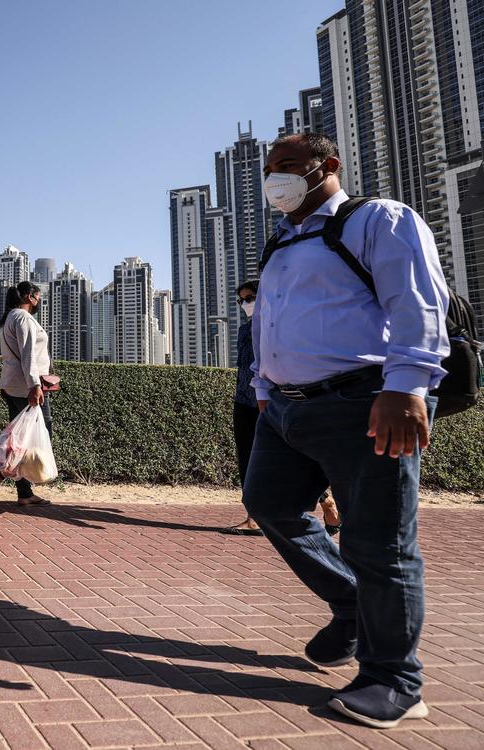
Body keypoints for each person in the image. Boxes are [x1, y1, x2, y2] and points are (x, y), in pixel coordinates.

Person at [243, 133, 449, 728]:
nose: (274, 178)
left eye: (286, 167)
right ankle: (352, 603)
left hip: (364, 400)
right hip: (283, 409)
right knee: (270, 504)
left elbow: (418, 304)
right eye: (269, 169)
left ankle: (396, 681)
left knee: (378, 541)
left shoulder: (377, 219)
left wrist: (406, 387)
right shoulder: (282, 241)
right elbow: (271, 323)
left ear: (326, 166)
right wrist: (263, 388)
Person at [222, 280, 341, 537]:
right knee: (248, 459)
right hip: (244, 400)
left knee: (293, 455)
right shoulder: (244, 330)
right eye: (241, 300)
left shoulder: (280, 326)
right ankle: (252, 516)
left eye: (250, 297)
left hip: (275, 400)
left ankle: (325, 501)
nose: (246, 303)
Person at [0, 281, 54, 506]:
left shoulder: (9, 318)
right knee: (36, 434)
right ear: (27, 296)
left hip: (13, 384)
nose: (39, 300)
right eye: (37, 295)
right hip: (26, 386)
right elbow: (28, 355)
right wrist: (35, 385)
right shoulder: (22, 318)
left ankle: (24, 493)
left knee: (22, 437)